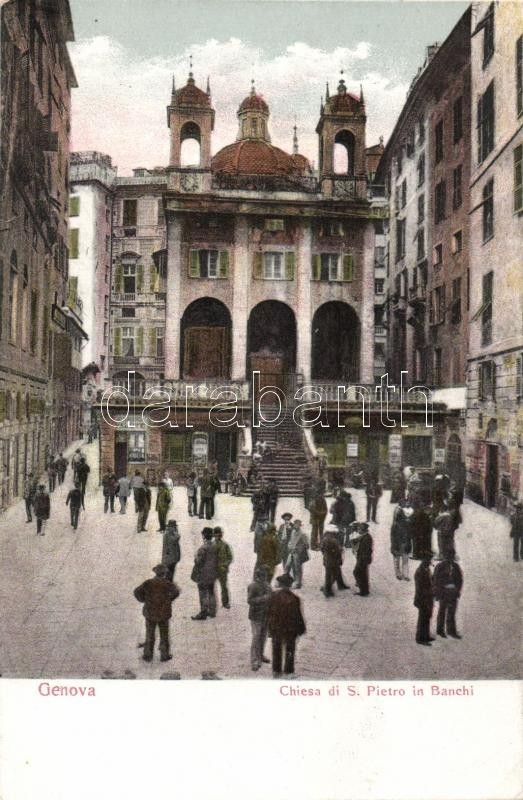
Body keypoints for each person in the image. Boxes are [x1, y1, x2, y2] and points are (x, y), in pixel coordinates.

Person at [133, 564, 180, 662]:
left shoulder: (148, 583)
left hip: (150, 613)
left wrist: (144, 600)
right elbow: (176, 592)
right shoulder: (167, 584)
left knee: (150, 634)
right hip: (164, 613)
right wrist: (169, 600)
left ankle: (147, 656)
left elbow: (136, 592)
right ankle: (164, 655)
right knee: (164, 635)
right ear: (164, 574)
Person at [267, 572, 306, 678]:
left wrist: (269, 627)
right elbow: (298, 616)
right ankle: (288, 671)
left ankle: (276, 670)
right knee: (290, 649)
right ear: (290, 585)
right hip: (289, 629)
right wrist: (301, 629)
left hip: (276, 627)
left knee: (276, 648)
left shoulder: (273, 596)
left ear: (280, 584)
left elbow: (269, 613)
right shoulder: (294, 599)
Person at [433, 548, 463, 639]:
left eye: (451, 556)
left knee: (452, 612)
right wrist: (438, 593)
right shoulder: (439, 566)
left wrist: (457, 590)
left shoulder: (456, 567)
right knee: (442, 611)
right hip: (443, 592)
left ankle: (451, 631)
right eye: (448, 556)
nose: (449, 558)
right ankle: (440, 630)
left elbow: (459, 580)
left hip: (453, 593)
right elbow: (435, 580)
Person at [247, 566, 272, 671]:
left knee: (263, 637)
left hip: (266, 615)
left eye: (265, 576)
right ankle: (254, 660)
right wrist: (264, 598)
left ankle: (260, 655)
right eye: (262, 576)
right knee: (256, 637)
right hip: (256, 616)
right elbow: (250, 600)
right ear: (257, 576)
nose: (264, 579)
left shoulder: (267, 585)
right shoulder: (253, 586)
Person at [191, 527, 219, 620]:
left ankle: (203, 612)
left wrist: (195, 558)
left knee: (203, 593)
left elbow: (198, 562)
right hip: (213, 573)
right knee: (211, 591)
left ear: (204, 536)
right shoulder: (216, 546)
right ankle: (212, 611)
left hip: (203, 574)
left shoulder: (203, 548)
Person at [413, 553, 435, 645]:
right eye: (429, 560)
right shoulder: (420, 571)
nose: (430, 562)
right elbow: (420, 588)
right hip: (422, 599)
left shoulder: (427, 569)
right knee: (423, 618)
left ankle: (426, 635)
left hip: (428, 598)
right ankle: (420, 638)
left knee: (427, 616)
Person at [390, 500, 413, 580]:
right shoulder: (397, 525)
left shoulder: (398, 525)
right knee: (401, 559)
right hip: (401, 543)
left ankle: (401, 574)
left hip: (402, 543)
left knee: (399, 559)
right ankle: (402, 574)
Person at [320, 528, 347, 597]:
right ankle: (327, 590)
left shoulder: (324, 539)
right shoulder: (334, 541)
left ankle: (338, 585)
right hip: (333, 561)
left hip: (327, 560)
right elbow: (338, 552)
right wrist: (339, 557)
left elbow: (322, 549)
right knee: (333, 575)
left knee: (329, 575)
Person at [285, 520, 309, 589]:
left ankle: (298, 583)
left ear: (299, 526)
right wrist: (289, 546)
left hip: (298, 553)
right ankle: (287, 581)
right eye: (295, 524)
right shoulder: (293, 532)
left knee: (297, 568)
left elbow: (306, 545)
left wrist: (298, 549)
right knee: (288, 565)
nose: (295, 526)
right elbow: (290, 541)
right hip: (291, 552)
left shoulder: (303, 534)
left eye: (297, 525)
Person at [213, 527, 233, 609]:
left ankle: (225, 603)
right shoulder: (212, 545)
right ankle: (213, 604)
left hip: (222, 570)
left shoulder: (225, 545)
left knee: (224, 587)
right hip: (213, 569)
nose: (218, 535)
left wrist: (225, 565)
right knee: (211, 587)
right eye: (216, 533)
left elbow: (230, 557)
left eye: (219, 533)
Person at [353, 522, 373, 596]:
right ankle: (365, 590)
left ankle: (363, 590)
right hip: (364, 559)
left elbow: (367, 550)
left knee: (357, 572)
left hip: (363, 559)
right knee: (363, 574)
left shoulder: (366, 538)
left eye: (359, 529)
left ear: (363, 530)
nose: (358, 530)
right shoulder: (366, 536)